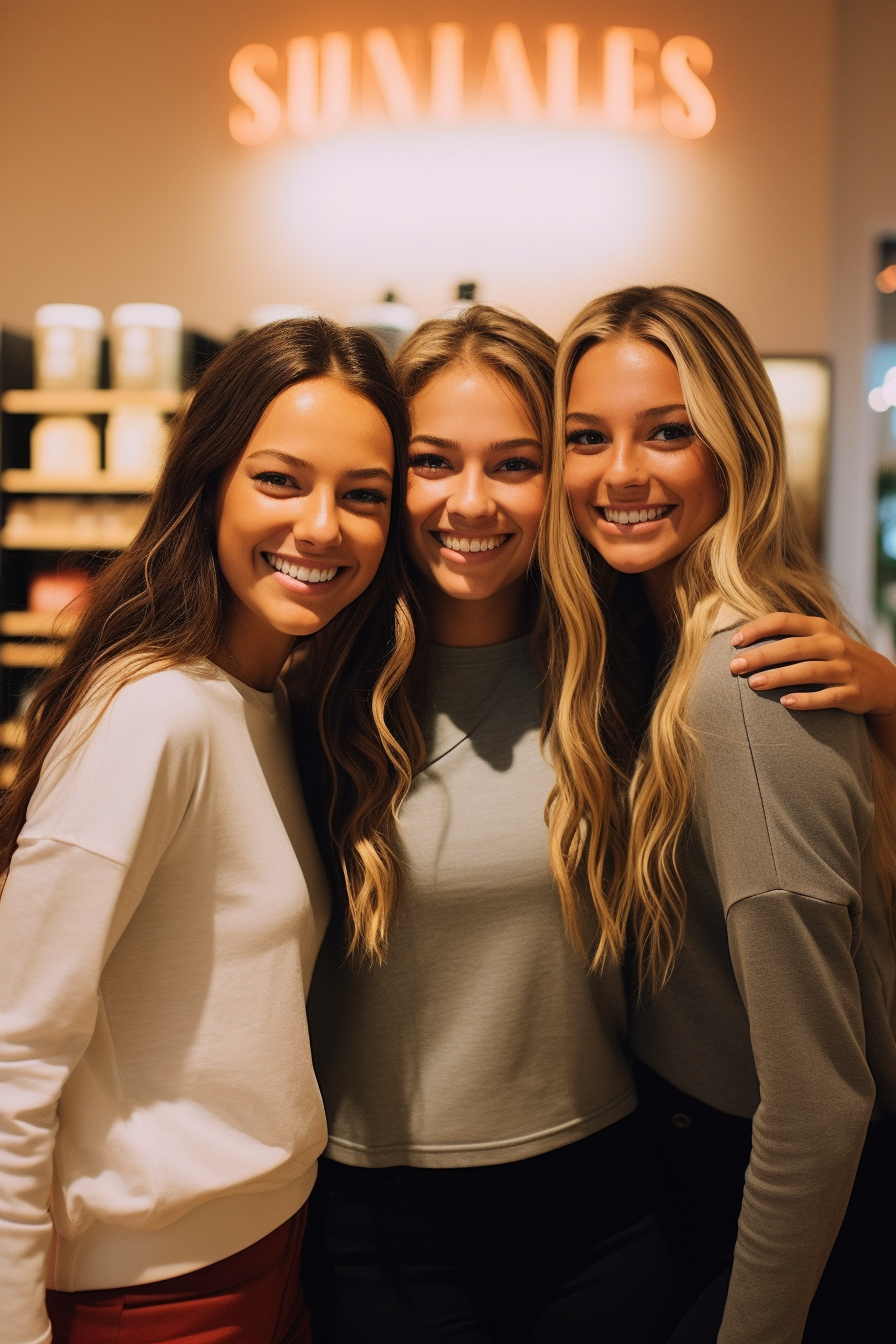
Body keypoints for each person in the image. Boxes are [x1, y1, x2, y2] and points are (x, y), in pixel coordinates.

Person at [0, 318, 418, 1344]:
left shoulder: (274, 697)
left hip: (265, 1254)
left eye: (362, 495)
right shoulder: (154, 713)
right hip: (150, 1294)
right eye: (280, 480)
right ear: (209, 479)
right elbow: (14, 1056)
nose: (322, 526)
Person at [303, 305, 678, 1344]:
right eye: (432, 462)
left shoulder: (627, 669)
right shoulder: (313, 687)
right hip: (380, 1222)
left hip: (607, 1203)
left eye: (514, 463)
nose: (471, 502)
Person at [539, 284, 896, 1343]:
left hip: (791, 1203)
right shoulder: (650, 641)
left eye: (668, 432)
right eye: (585, 438)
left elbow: (819, 1104)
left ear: (734, 444)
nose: (621, 474)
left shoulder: (737, 690)